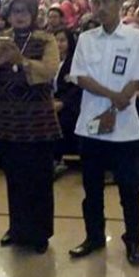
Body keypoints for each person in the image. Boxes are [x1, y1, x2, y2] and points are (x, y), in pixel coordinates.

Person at [68, 0, 139, 266]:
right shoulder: (86, 38)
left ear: (119, 3)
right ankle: (94, 236)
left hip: (125, 128)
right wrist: (113, 95)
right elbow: (80, 77)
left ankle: (133, 240)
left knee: (129, 189)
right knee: (92, 188)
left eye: (106, 1)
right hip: (91, 125)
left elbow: (138, 76)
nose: (100, 7)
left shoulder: (136, 38)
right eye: (96, 2)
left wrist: (122, 97)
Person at [0, 0, 61, 254]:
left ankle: (40, 233)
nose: (20, 16)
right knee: (14, 178)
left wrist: (21, 62)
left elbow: (49, 71)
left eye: (25, 11)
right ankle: (17, 229)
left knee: (39, 179)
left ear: (33, 14)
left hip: (38, 121)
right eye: (15, 12)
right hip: (8, 121)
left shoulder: (46, 39)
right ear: (9, 15)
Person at [52, 29, 82, 177]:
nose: (59, 44)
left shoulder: (75, 62)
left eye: (62, 40)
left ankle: (57, 159)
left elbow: (76, 88)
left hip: (70, 104)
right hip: (50, 101)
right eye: (56, 40)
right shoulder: (50, 61)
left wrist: (62, 103)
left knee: (62, 120)